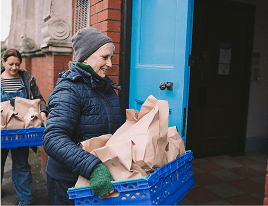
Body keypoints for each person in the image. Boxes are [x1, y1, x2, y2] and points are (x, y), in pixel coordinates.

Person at [42, 27, 122, 205]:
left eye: (111, 58)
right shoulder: (69, 90)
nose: (110, 64)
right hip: (68, 183)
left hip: (97, 178)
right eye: (104, 57)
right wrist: (93, 167)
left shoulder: (107, 89)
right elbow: (53, 138)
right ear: (86, 56)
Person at [0, 49, 48, 206]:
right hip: (1, 131)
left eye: (17, 64)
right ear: (3, 62)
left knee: (21, 164)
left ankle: (25, 199)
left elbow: (39, 99)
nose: (14, 67)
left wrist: (43, 111)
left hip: (21, 131)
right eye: (11, 64)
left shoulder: (27, 79)